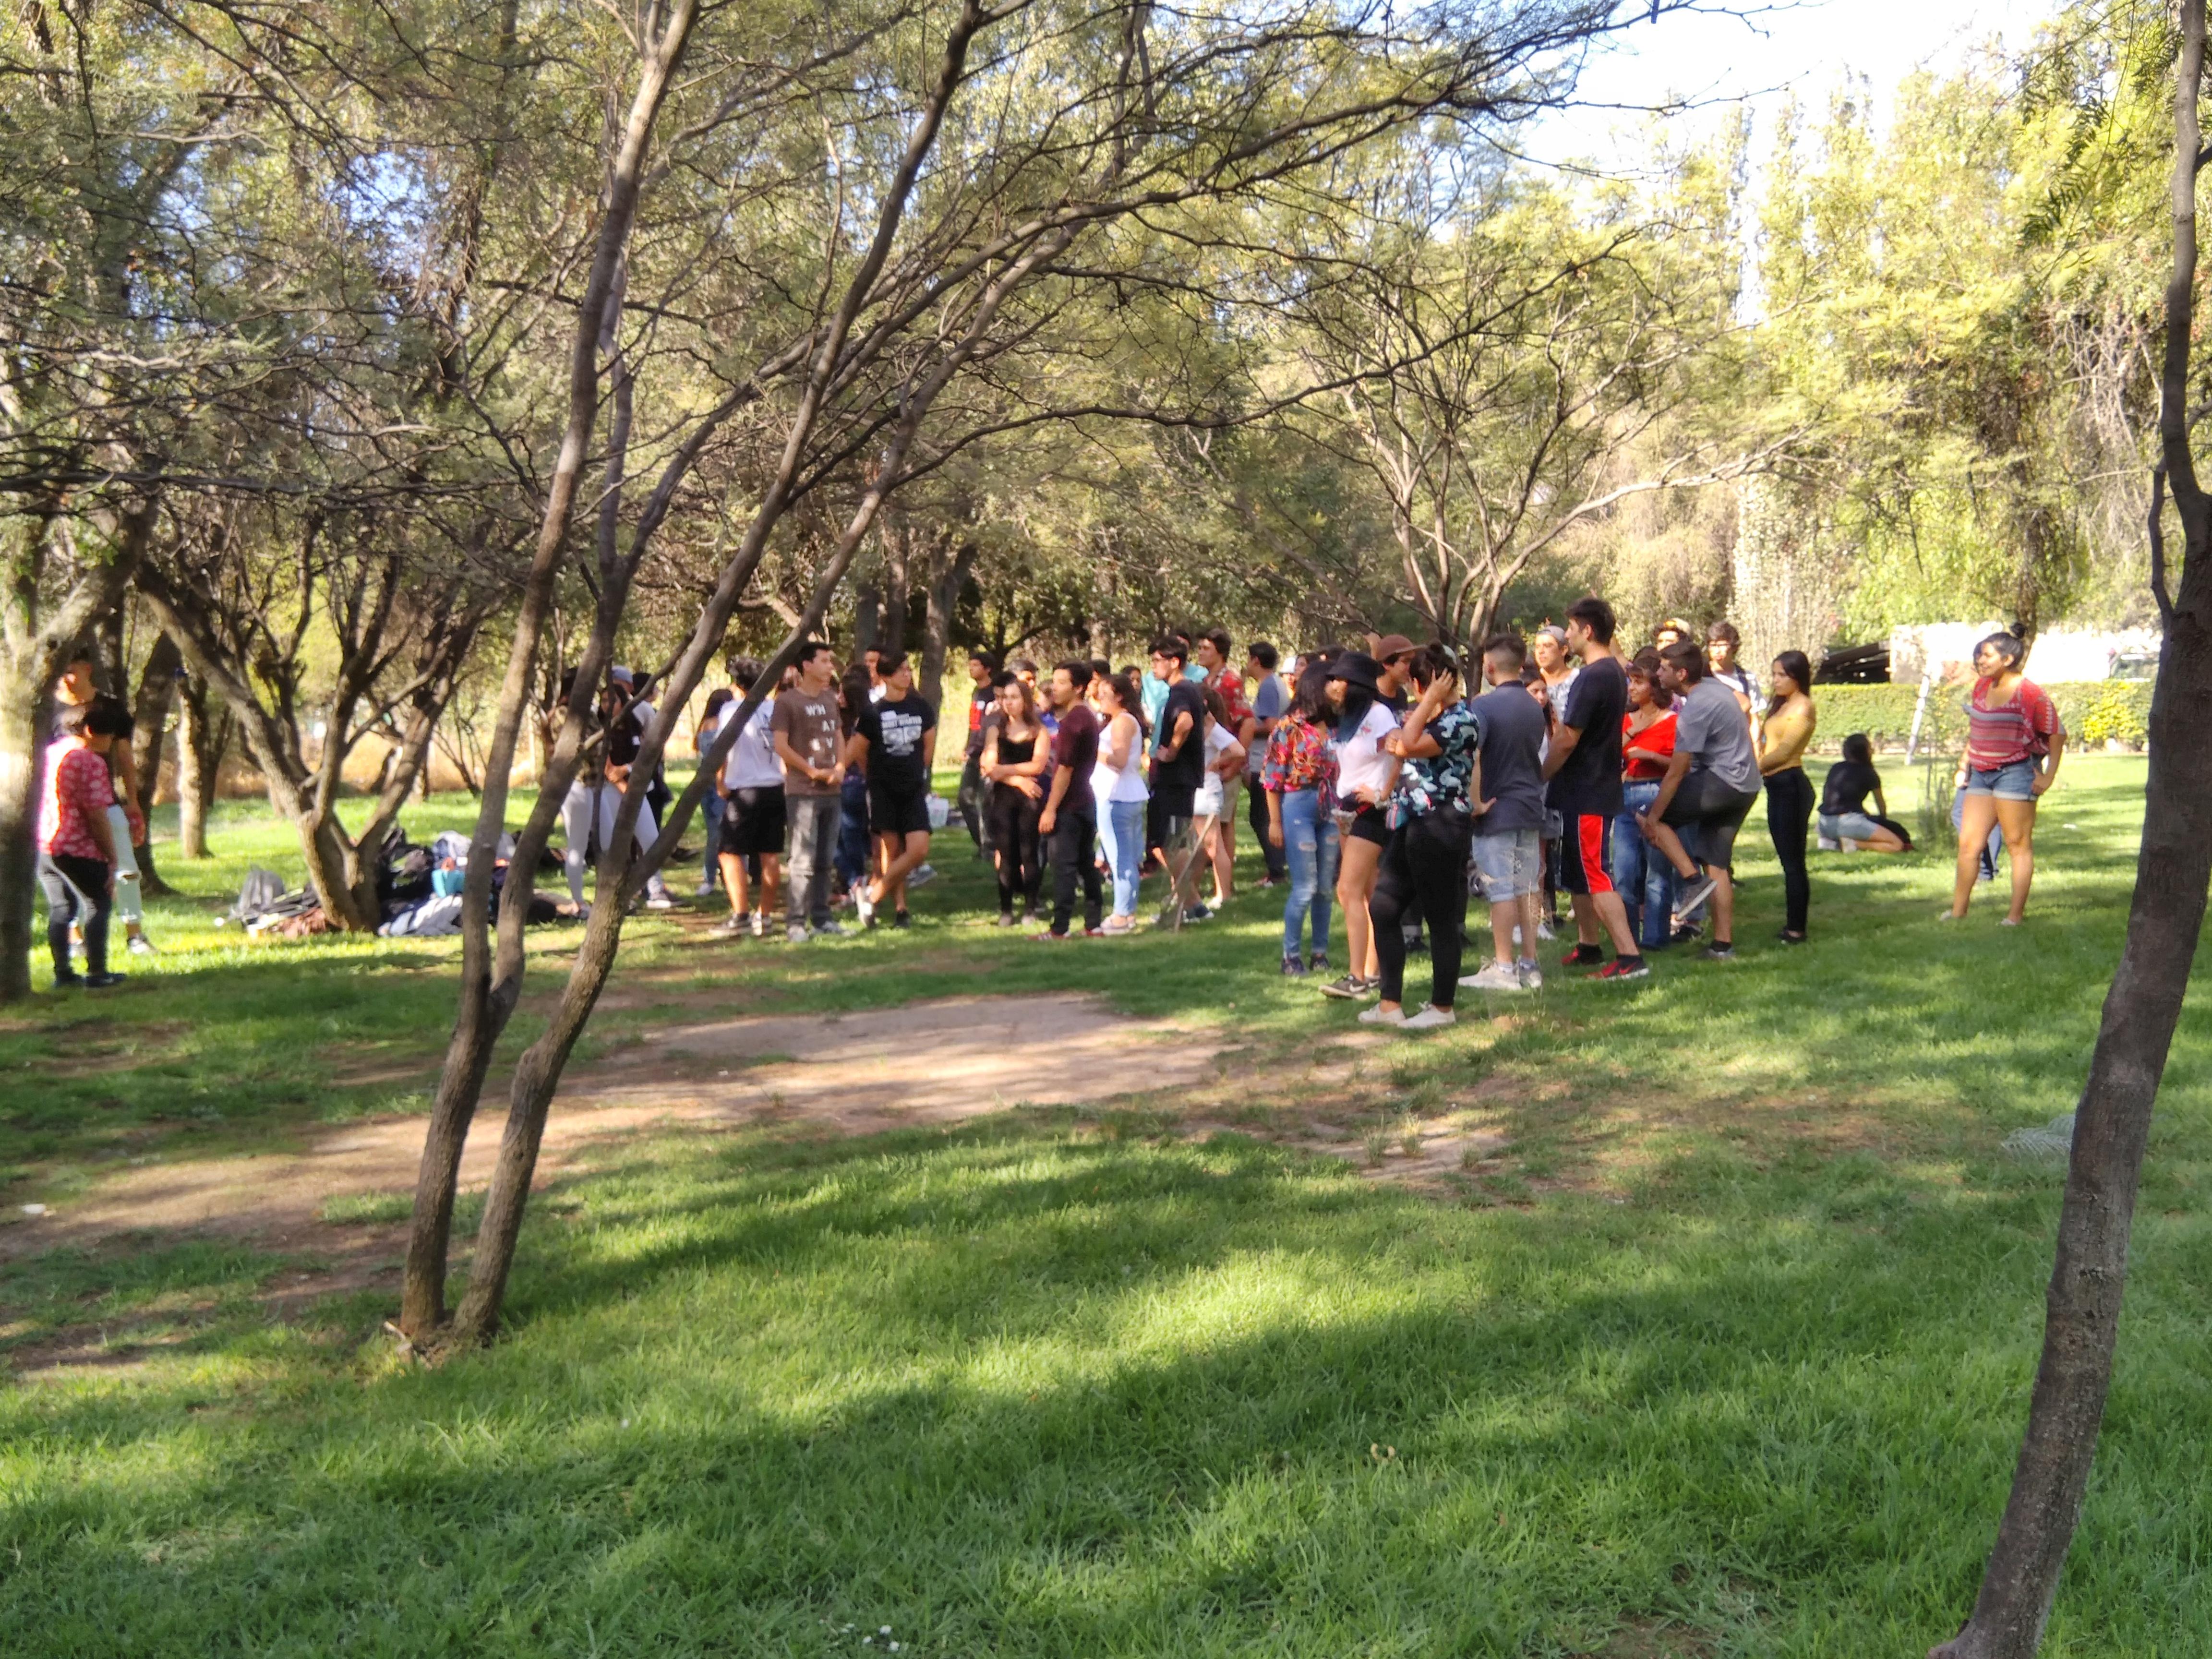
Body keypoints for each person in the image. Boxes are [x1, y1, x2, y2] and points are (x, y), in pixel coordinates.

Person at [1361, 648, 1478, 1029]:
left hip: (1441, 824)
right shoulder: (1433, 717)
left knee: (1440, 919)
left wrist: (1426, 703)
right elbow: (1396, 744)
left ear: (1419, 685)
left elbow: (1407, 746)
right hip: (1410, 820)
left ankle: (1442, 1009)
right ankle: (1390, 1004)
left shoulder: (1460, 721)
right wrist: (1422, 713)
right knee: (1384, 907)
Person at [1540, 598, 1646, 979]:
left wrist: (1542, 773)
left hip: (1589, 789)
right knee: (1579, 874)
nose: (1566, 635)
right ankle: (1589, 945)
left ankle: (1630, 958)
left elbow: (1568, 737)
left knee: (1595, 872)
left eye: (1570, 628)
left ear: (1587, 631)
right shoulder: (1612, 672)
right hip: (1583, 789)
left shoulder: (1595, 675)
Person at [1639, 640, 1763, 961]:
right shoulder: (1714, 687)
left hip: (1725, 783)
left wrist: (1654, 819)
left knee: (1652, 816)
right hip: (1746, 786)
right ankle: (1723, 947)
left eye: (1664, 668)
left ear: (1681, 673)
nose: (1659, 672)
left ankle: (1693, 881)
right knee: (1717, 863)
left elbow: (1678, 771)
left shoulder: (1695, 708)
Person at [1945, 632, 2065, 925]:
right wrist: (1965, 765)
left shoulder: (2030, 693)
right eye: (1979, 655)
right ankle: (1958, 912)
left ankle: (2015, 917)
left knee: (2017, 843)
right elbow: (1977, 731)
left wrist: (2048, 776)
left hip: (2016, 773)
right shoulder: (1982, 687)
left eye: (1986, 655)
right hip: (1981, 775)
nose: (1979, 661)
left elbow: (2057, 734)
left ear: (2008, 659)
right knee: (1969, 845)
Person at [1460, 634, 1550, 992]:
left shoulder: (1484, 706)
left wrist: (1476, 802)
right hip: (1530, 805)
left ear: (1490, 667)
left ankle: (1503, 966)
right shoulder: (1534, 705)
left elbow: (1475, 757)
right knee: (1527, 887)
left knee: (1500, 888)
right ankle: (1530, 963)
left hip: (1498, 808)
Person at [1318, 652, 1397, 999]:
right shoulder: (1348, 718)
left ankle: (1356, 978)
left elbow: (1400, 750)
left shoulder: (1380, 714)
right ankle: (1372, 971)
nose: (1332, 685)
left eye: (1339, 680)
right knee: (1366, 892)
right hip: (1347, 809)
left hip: (1371, 810)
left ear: (1358, 685)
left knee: (1346, 889)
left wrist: (1383, 793)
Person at [38, 699, 126, 988]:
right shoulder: (88, 760)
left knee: (61, 908)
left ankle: (63, 973)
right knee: (97, 904)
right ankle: (97, 972)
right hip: (78, 845)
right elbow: (97, 814)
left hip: (46, 845)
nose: (110, 742)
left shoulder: (49, 754)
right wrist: (111, 855)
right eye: (109, 735)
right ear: (90, 731)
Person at [846, 651, 937, 928]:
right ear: (885, 677)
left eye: (909, 670)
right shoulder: (874, 713)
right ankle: (901, 911)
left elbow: (928, 748)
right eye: (900, 671)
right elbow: (859, 751)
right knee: (892, 851)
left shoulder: (921, 708)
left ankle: (872, 897)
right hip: (883, 790)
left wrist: (912, 771)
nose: (907, 675)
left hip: (912, 788)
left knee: (918, 850)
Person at [1263, 665, 1340, 976]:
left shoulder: (1337, 727)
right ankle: (1290, 956)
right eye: (1332, 683)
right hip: (1298, 806)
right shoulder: (1289, 727)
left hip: (1331, 807)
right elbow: (1272, 778)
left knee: (1325, 887)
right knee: (1305, 886)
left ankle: (1320, 953)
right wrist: (1275, 822)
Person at [773, 641, 848, 942]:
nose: (831, 666)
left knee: (824, 860)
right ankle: (795, 923)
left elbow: (839, 734)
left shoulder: (831, 698)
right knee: (802, 860)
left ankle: (822, 919)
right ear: (807, 665)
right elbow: (781, 746)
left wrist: (841, 766)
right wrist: (811, 771)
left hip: (833, 792)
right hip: (803, 792)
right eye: (825, 661)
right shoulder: (787, 702)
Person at [1613, 650, 1678, 951]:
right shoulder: (1626, 719)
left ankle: (1655, 937)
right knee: (1625, 872)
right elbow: (1611, 756)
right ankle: (1628, 938)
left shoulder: (1673, 721)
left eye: (1639, 682)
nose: (1632, 688)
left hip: (1656, 794)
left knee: (1657, 872)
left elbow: (1682, 766)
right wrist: (1631, 733)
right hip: (1626, 796)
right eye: (1631, 682)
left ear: (1655, 685)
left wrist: (1652, 756)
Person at [1037, 661, 1106, 939]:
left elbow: (1064, 769)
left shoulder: (1074, 722)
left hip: (1070, 804)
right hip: (1085, 800)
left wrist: (1051, 809)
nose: (1055, 687)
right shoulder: (1087, 716)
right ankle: (1093, 923)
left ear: (1078, 688)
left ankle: (1060, 928)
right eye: (1054, 681)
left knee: (1063, 866)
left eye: (1062, 682)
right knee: (1085, 863)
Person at [714, 664, 785, 937]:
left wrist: (720, 780)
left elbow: (723, 746)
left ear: (739, 685)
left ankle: (741, 913)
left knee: (730, 852)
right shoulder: (774, 708)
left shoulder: (732, 710)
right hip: (774, 786)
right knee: (770, 854)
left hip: (744, 789)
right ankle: (764, 915)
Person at [1148, 637, 1212, 928]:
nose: (1153, 667)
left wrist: (1171, 751)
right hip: (1179, 780)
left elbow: (1184, 722)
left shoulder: (1182, 691)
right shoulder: (1183, 690)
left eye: (1157, 661)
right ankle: (1193, 905)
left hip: (1176, 780)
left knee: (1171, 843)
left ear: (1174, 662)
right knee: (1171, 841)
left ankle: (1193, 904)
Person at [1758, 650, 1818, 944]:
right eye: (1775, 674)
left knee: (1793, 862)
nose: (1776, 681)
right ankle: (1792, 924)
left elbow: (1784, 753)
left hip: (1791, 786)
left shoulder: (1804, 707)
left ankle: (1797, 929)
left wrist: (1749, 769)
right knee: (1787, 859)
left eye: (1783, 675)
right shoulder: (1781, 706)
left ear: (1798, 677)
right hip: (1776, 785)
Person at [981, 673, 1049, 924]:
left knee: (1029, 852)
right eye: (1005, 698)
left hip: (1030, 799)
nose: (1008, 703)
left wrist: (1005, 771)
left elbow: (1038, 765)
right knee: (1006, 853)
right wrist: (1017, 780)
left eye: (1014, 698)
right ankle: (1006, 910)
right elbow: (989, 765)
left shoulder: (1038, 731)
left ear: (1025, 701)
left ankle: (1031, 908)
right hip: (1003, 797)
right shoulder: (995, 730)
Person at [1091, 669, 1150, 933]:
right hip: (1122, 794)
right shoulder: (1120, 720)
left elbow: (1120, 760)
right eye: (1099, 694)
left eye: (1106, 694)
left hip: (1117, 796)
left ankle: (1122, 914)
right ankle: (1127, 913)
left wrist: (1094, 752)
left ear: (1121, 697)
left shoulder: (1122, 722)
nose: (1101, 699)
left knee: (1120, 859)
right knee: (1125, 857)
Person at [1193, 629, 1250, 885]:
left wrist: (1234, 765)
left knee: (1224, 823)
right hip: (1210, 758)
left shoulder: (1230, 682)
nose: (1201, 652)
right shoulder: (1205, 680)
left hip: (1223, 758)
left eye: (1207, 648)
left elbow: (1246, 723)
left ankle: (1225, 884)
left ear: (1220, 652)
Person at [1192, 687, 1248, 911]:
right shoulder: (1203, 728)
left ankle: (1223, 894)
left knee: (1214, 845)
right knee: (1201, 846)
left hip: (1207, 789)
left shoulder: (1212, 728)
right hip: (1199, 790)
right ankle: (1193, 892)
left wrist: (1216, 763)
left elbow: (1238, 750)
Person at [1242, 642, 1290, 888]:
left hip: (1265, 761)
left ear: (1256, 661)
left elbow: (1273, 726)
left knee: (1262, 817)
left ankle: (1276, 871)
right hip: (1266, 760)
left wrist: (1247, 728)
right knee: (1262, 815)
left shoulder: (1270, 686)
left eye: (1249, 659)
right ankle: (1277, 867)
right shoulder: (1273, 685)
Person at [1819, 733, 1911, 852]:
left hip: (1824, 823)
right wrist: (1882, 823)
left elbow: (1837, 799)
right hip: (1847, 824)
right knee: (1896, 844)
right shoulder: (1869, 773)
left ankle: (1831, 843)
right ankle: (1853, 844)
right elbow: (1881, 806)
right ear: (1866, 752)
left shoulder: (1836, 768)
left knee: (1865, 823)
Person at [956, 649, 999, 857]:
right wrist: (968, 747)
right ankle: (982, 843)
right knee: (965, 799)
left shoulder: (993, 693)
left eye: (975, 665)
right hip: (972, 753)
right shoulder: (977, 692)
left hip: (987, 754)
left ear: (987, 669)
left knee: (986, 803)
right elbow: (974, 726)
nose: (971, 669)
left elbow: (988, 727)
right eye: (970, 665)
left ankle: (990, 848)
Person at [693, 687, 735, 896]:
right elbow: (720, 759)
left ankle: (710, 878)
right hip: (722, 782)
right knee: (726, 833)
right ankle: (727, 877)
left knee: (713, 833)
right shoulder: (722, 727)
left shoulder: (703, 726)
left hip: (704, 783)